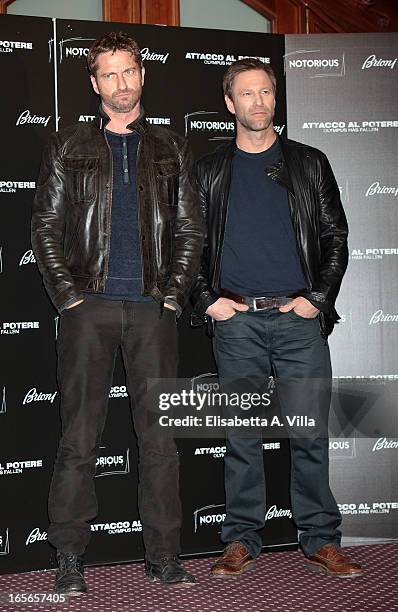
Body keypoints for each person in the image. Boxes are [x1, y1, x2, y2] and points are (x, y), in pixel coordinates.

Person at [32, 31, 203, 594]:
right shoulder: (68, 145)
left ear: (142, 75)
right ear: (94, 83)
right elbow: (46, 228)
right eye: (108, 74)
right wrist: (70, 297)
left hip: (152, 309)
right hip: (89, 308)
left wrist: (173, 295)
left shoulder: (171, 146)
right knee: (78, 437)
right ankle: (69, 557)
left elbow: (188, 228)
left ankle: (163, 556)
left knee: (159, 440)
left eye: (128, 71)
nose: (120, 83)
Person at [191, 58, 363, 579]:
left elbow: (335, 236)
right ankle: (241, 538)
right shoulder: (208, 171)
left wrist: (317, 297)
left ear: (274, 99)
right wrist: (207, 300)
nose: (259, 102)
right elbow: (188, 247)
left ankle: (321, 540)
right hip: (237, 319)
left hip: (298, 318)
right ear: (230, 104)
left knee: (309, 432)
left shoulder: (310, 163)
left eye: (266, 92)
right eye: (247, 94)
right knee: (242, 433)